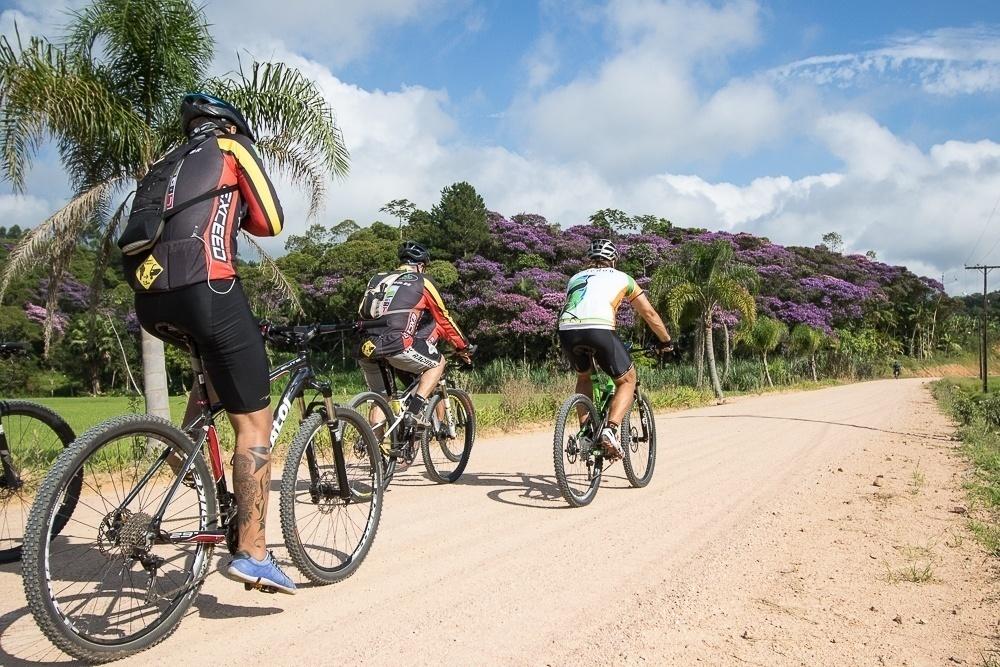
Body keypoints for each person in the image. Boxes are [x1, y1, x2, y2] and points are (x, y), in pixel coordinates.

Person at [126, 93, 295, 594]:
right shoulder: (232, 146)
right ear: (230, 124)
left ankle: (199, 480)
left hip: (151, 299)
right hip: (210, 288)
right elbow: (271, 221)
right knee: (254, 422)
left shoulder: (164, 162)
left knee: (210, 387)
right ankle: (254, 554)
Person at [558, 238, 672, 460]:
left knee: (584, 377)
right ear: (614, 260)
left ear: (590, 261)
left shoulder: (575, 278)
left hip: (567, 330)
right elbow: (648, 313)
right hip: (599, 329)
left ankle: (586, 436)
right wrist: (666, 341)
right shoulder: (624, 279)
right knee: (627, 379)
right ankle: (610, 429)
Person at [357, 241, 472, 441]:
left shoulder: (377, 279)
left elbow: (362, 311)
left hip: (366, 346)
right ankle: (414, 412)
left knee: (381, 399)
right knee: (438, 363)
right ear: (421, 265)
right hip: (397, 342)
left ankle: (376, 453)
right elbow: (443, 318)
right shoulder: (422, 281)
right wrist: (464, 346)